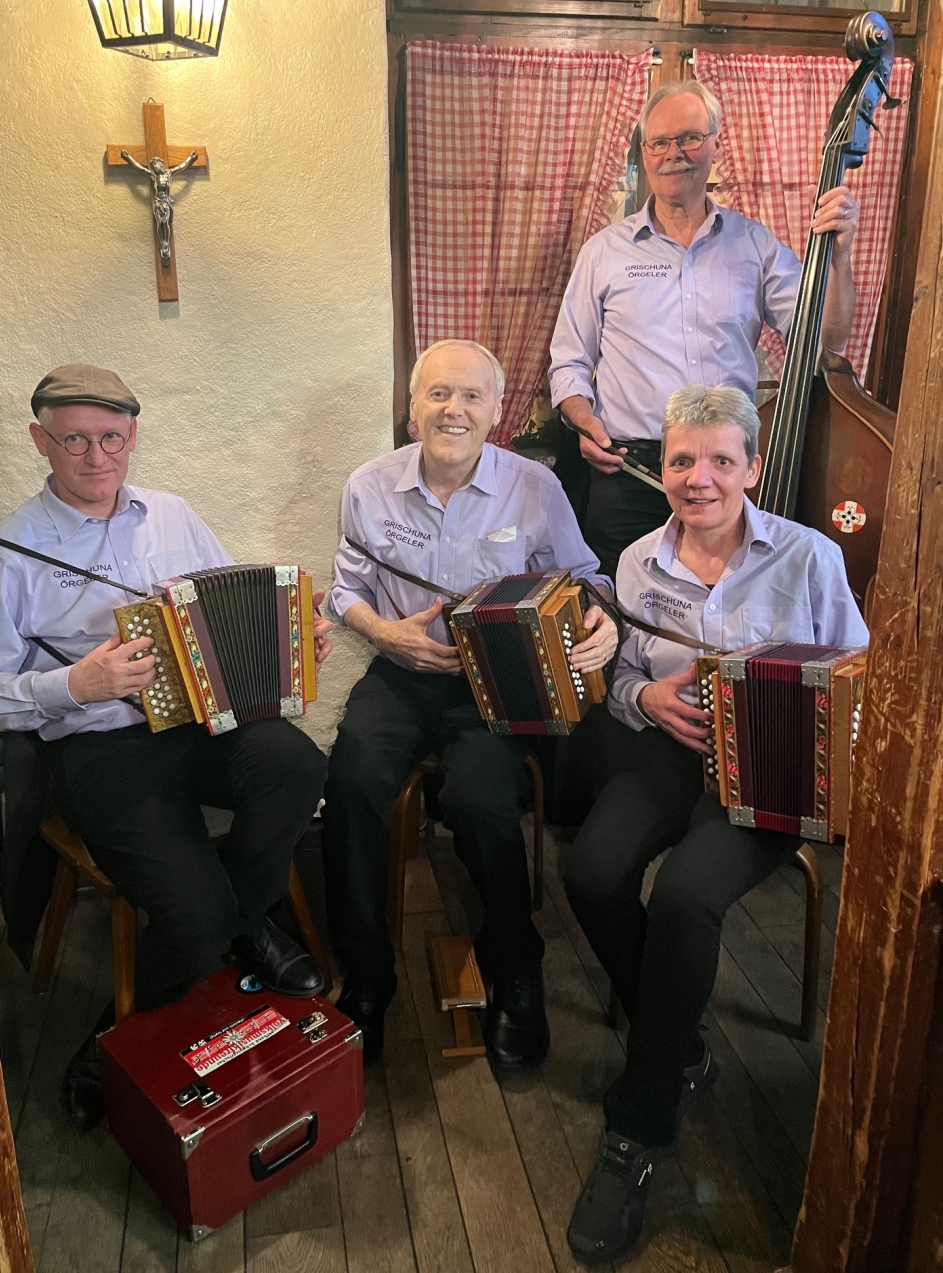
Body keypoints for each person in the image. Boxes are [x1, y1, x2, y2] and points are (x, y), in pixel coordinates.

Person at [0, 364, 332, 1129]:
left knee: (298, 765)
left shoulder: (172, 514)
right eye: (74, 440)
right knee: (192, 919)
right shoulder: (6, 555)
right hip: (101, 750)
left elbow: (227, 611)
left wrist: (295, 639)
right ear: (40, 441)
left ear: (132, 435)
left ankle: (243, 918)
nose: (97, 456)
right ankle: (110, 1041)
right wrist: (71, 685)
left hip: (198, 722)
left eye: (111, 437)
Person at [561, 384, 868, 1265]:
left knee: (686, 895)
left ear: (752, 467)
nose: (700, 478)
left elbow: (857, 672)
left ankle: (639, 1122)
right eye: (682, 461)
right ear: (662, 468)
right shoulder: (633, 560)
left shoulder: (809, 555)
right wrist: (645, 697)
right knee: (590, 872)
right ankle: (680, 1036)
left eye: (720, 460)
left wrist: (821, 737)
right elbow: (616, 680)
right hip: (672, 749)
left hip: (770, 765)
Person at [322, 339, 620, 1073]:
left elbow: (586, 576)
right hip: (400, 672)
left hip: (496, 682)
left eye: (471, 397)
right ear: (412, 407)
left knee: (483, 801)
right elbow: (345, 590)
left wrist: (601, 616)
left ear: (496, 413)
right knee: (349, 784)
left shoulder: (536, 487)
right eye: (437, 394)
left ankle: (517, 965)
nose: (453, 409)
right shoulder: (368, 485)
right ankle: (366, 974)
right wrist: (383, 632)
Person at [549, 78, 859, 580]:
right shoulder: (604, 252)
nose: (674, 154)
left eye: (690, 138)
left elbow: (826, 343)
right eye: (659, 142)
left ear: (715, 144)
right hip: (631, 470)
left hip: (722, 470)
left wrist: (838, 257)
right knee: (622, 605)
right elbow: (568, 362)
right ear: (644, 152)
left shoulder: (755, 245)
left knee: (725, 601)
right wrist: (584, 422)